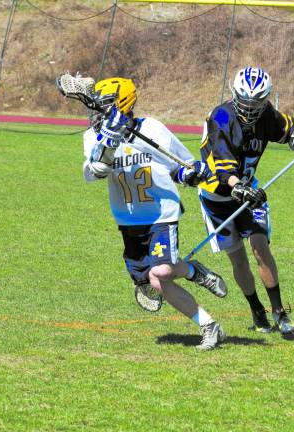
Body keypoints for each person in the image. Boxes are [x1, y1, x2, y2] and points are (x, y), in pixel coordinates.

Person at [81, 77, 228, 350]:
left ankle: (205, 323)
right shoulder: (93, 137)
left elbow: (181, 166)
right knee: (151, 282)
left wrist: (191, 174)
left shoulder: (151, 129)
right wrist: (107, 147)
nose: (97, 113)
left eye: (104, 106)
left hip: (161, 213)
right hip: (127, 219)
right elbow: (93, 173)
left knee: (160, 272)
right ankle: (202, 296)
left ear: (120, 104)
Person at [197, 67, 294, 336]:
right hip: (218, 196)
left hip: (250, 191)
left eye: (258, 102)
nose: (252, 108)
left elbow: (288, 130)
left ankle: (279, 312)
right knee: (239, 259)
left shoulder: (266, 114)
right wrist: (238, 187)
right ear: (235, 95)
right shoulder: (220, 116)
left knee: (260, 247)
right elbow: (223, 169)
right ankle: (256, 310)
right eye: (246, 102)